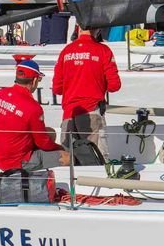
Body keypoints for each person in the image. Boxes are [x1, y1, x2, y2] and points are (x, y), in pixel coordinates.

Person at [0, 58, 69, 172]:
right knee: (66, 157)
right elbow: (43, 143)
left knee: (50, 132)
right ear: (34, 80)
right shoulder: (33, 107)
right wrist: (60, 149)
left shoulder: (0, 94)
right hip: (17, 162)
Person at [52, 26, 121, 159]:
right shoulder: (103, 50)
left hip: (69, 114)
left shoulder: (66, 51)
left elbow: (57, 89)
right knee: (98, 160)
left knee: (69, 162)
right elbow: (114, 86)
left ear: (78, 28)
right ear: (98, 30)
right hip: (92, 112)